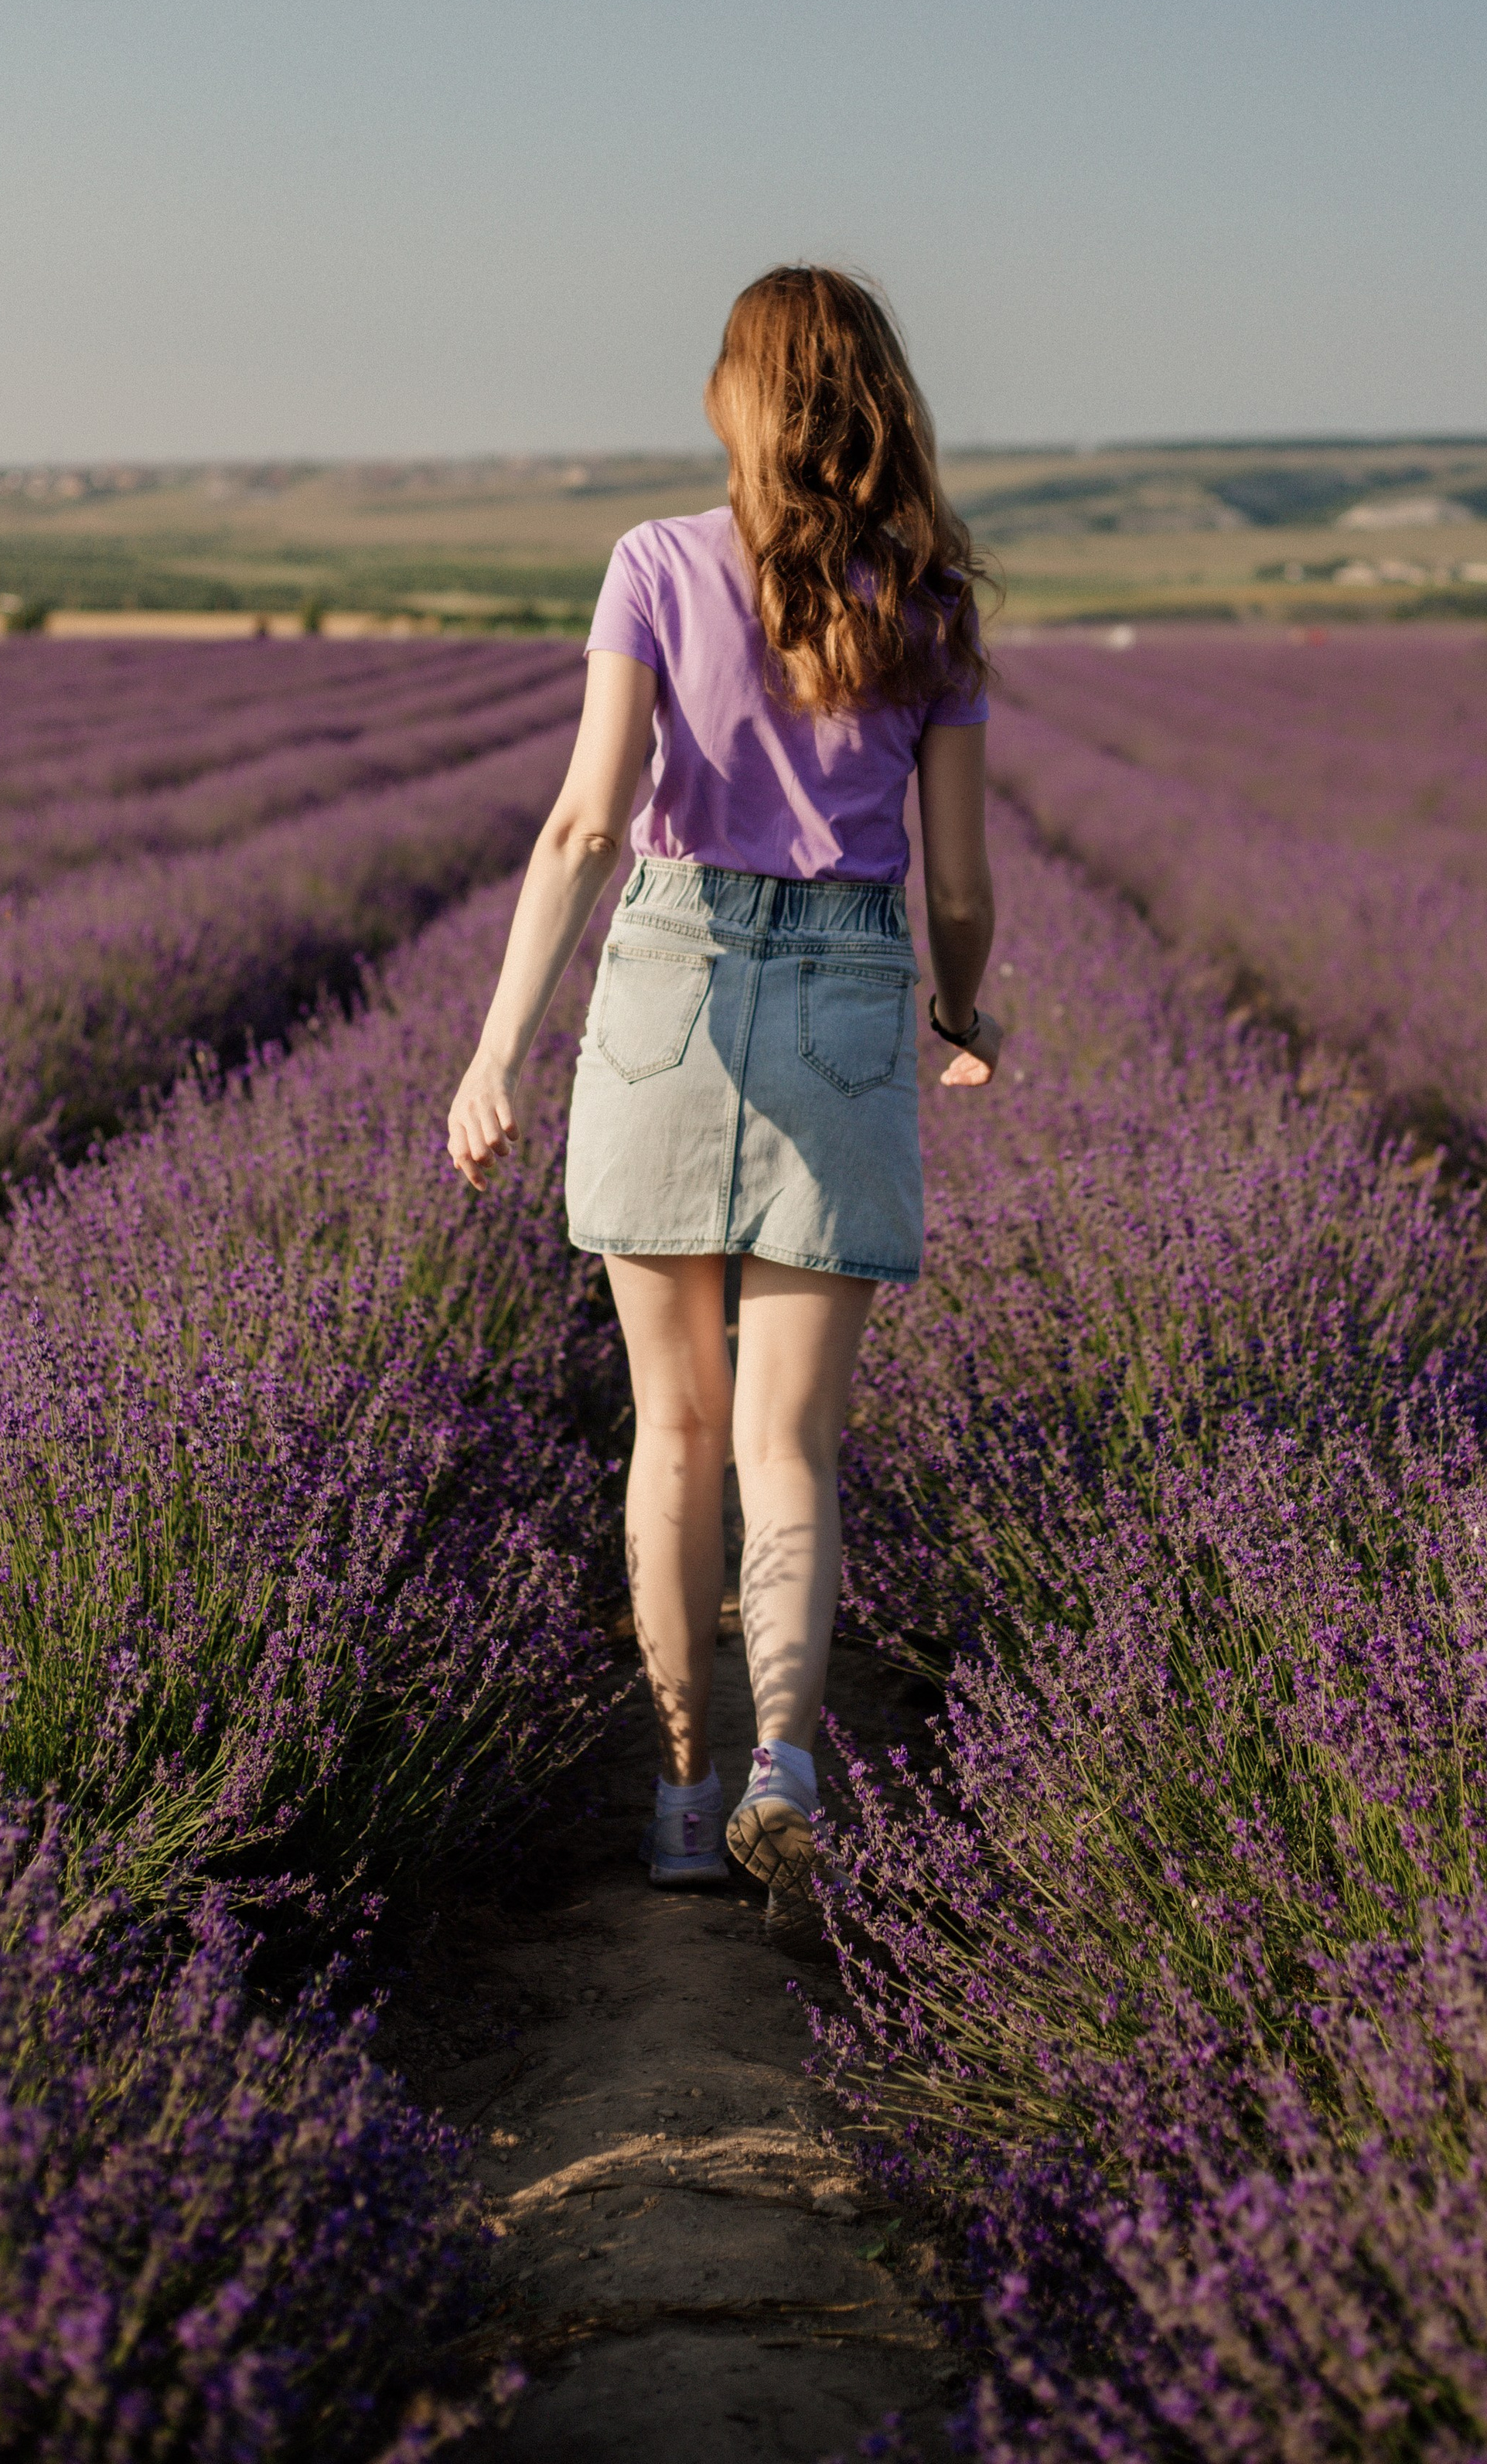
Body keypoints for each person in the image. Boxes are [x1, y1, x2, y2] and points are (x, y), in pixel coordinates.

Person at [446, 265, 1001, 1931]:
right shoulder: (931, 602)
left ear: (735, 396)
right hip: (844, 991)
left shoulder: (652, 563)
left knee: (672, 1436)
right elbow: (958, 885)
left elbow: (579, 829)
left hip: (664, 993)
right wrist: (960, 1011)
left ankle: (684, 1798)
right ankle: (784, 1766)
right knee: (792, 1442)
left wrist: (491, 1053)